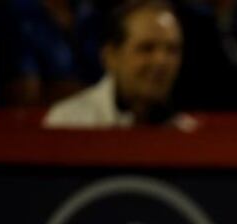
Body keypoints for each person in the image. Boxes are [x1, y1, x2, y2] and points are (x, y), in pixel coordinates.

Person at [42, 0, 195, 130]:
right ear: (110, 56)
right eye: (146, 48)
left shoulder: (185, 130)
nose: (161, 61)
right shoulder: (68, 122)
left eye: (172, 50)